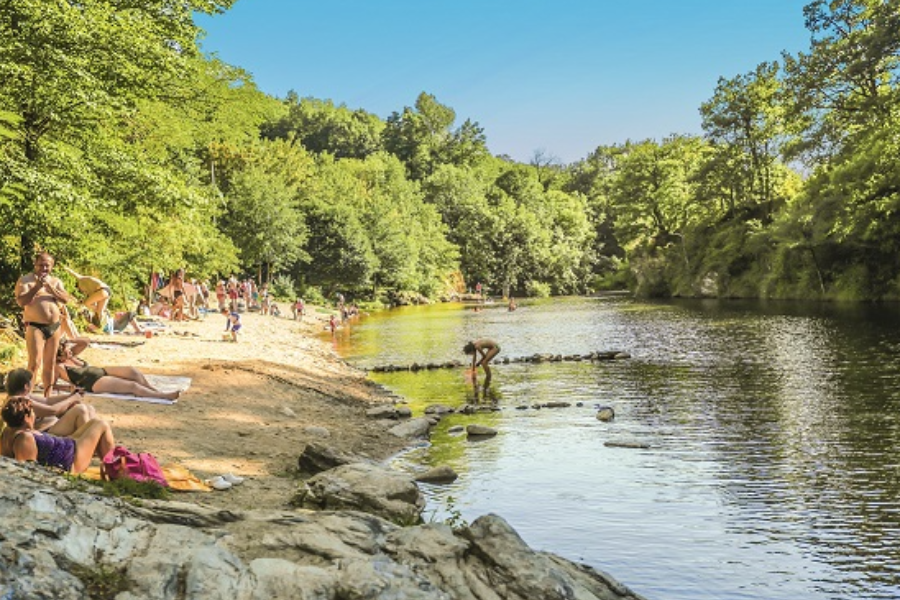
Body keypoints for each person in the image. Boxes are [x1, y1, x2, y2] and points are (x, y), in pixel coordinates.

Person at [0, 396, 114, 474]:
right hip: (72, 461)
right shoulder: (24, 439)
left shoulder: (8, 432)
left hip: (68, 445)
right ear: (26, 417)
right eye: (33, 413)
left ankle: (112, 465)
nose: (35, 416)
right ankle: (114, 471)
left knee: (93, 423)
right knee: (102, 425)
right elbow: (31, 471)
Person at [15, 252, 71, 397]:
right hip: (35, 326)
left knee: (50, 364)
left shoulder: (56, 281)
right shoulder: (25, 280)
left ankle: (48, 396)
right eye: (41, 264)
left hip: (54, 326)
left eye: (47, 265)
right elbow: (21, 301)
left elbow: (66, 299)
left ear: (52, 266)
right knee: (34, 363)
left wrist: (52, 290)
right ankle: (27, 396)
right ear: (35, 264)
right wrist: (37, 287)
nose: (44, 268)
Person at [55, 342, 181, 401]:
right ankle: (162, 396)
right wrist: (70, 388)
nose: (70, 350)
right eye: (67, 350)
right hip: (93, 382)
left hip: (100, 371)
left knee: (133, 372)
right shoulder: (59, 367)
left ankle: (153, 389)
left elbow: (85, 341)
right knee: (132, 386)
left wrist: (69, 339)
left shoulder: (72, 357)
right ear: (60, 357)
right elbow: (51, 384)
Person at [3, 368, 96, 436]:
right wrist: (72, 398)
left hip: (51, 427)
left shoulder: (23, 395)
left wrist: (71, 395)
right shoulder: (20, 402)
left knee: (89, 408)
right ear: (26, 386)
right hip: (44, 433)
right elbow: (52, 410)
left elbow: (47, 401)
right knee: (80, 410)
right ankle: (86, 442)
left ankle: (93, 441)